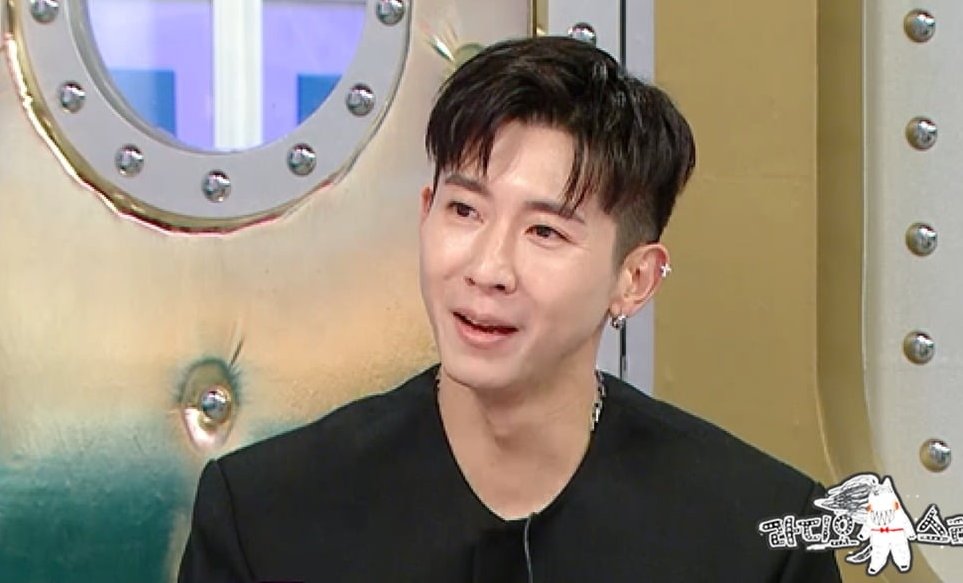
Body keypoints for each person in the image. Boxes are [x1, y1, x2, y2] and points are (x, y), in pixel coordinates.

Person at [178, 36, 841, 582]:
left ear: (635, 280)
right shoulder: (263, 517)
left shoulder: (759, 540)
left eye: (545, 231)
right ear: (425, 214)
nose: (488, 269)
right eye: (464, 210)